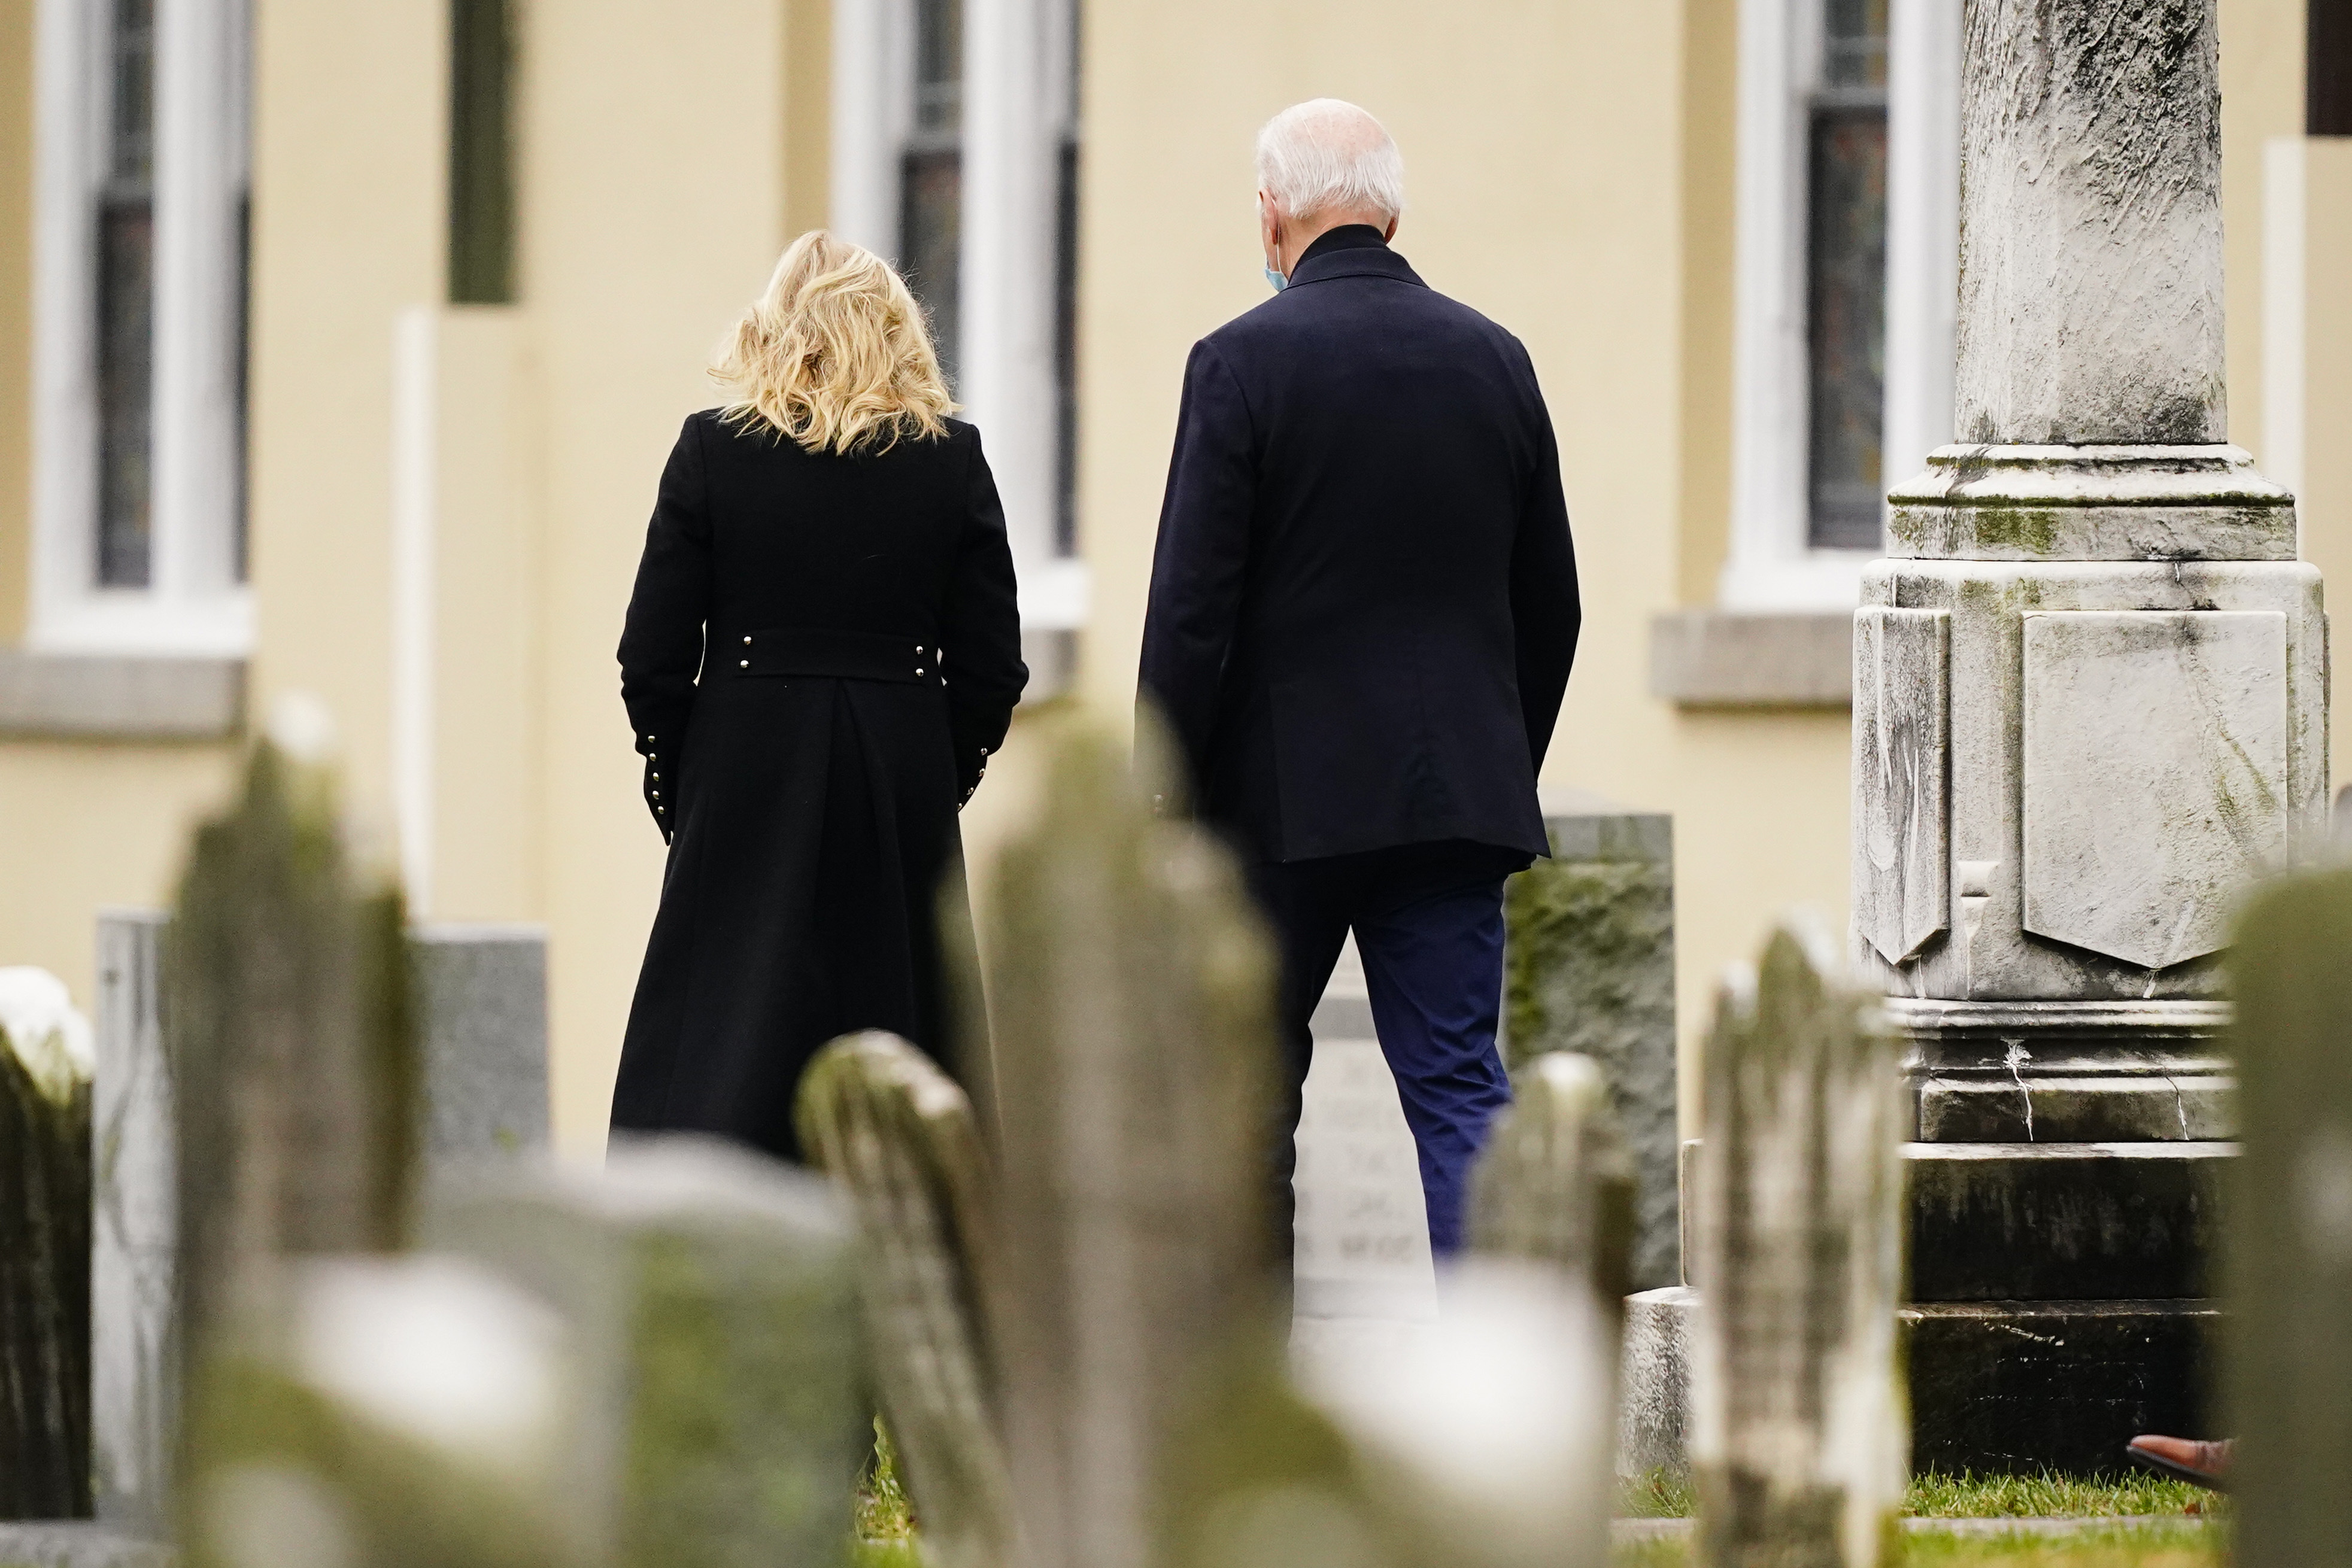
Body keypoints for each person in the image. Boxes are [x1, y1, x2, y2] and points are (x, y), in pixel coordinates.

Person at [1137, 99, 1581, 1266]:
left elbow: (1191, 611)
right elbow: (1554, 604)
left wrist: (1162, 808)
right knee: (1457, 1092)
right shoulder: (1498, 359)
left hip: (1279, 809)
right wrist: (1493, 762)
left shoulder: (1238, 361)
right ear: (1390, 212)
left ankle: (1246, 1405)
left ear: (1273, 215)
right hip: (1452, 803)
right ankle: (1501, 1406)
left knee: (1248, 1105)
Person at [611, 231, 1027, 1160]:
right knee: (904, 1029)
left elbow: (651, 656)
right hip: (899, 777)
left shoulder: (712, 451)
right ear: (897, 330)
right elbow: (994, 666)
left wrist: (691, 783)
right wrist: (930, 772)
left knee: (724, 1041)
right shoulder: (949, 458)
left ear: (775, 325)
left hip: (745, 769)